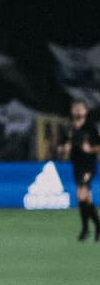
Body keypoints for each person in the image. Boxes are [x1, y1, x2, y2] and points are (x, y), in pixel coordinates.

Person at [57, 99, 99, 240]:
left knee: (81, 194)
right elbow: (60, 148)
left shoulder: (90, 128)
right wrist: (64, 149)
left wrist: (90, 148)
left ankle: (85, 229)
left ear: (86, 111)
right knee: (85, 199)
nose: (78, 110)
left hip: (89, 165)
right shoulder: (69, 129)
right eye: (75, 108)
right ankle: (97, 227)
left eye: (81, 108)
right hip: (77, 166)